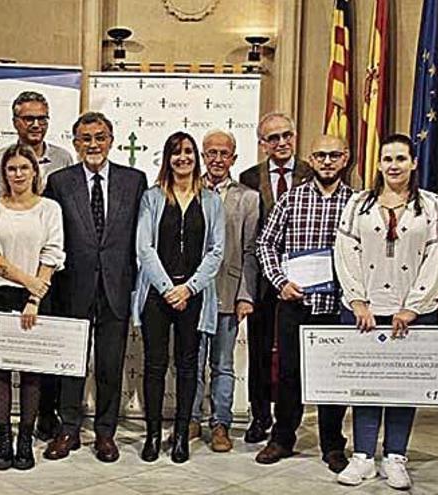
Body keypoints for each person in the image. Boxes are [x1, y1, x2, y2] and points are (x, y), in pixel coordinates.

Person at [334, 134, 438, 490]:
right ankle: (363, 457)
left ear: (414, 163)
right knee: (366, 385)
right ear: (379, 163)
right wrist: (357, 299)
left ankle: (396, 456)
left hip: (413, 311)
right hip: (365, 312)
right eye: (388, 158)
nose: (394, 165)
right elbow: (345, 251)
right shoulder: (358, 204)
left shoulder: (432, 206)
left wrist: (412, 306)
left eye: (401, 158)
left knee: (403, 386)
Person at [42, 111, 147, 464]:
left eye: (99, 137)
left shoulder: (134, 181)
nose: (93, 144)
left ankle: (105, 433)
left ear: (111, 139)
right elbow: (51, 236)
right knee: (70, 364)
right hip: (73, 289)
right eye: (85, 138)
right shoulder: (59, 181)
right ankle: (68, 428)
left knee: (109, 367)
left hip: (117, 288)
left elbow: (140, 237)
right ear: (75, 143)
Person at [0, 90, 73, 443]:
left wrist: (37, 289)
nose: (36, 124)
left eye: (42, 118)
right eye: (28, 118)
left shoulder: (62, 161)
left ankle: (36, 427)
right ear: (15, 121)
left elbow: (55, 245)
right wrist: (25, 280)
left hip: (45, 287)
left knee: (36, 366)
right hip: (1, 289)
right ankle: (0, 430)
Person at [254, 134, 352, 473]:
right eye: (321, 155)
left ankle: (332, 445)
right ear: (310, 158)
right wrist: (280, 282)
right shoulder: (292, 200)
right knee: (290, 374)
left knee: (333, 377)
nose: (327, 162)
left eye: (334, 155)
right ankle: (282, 438)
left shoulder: (357, 203)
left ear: (345, 158)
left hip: (338, 306)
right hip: (296, 303)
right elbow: (264, 243)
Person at [0, 143, 65, 470]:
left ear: (35, 172)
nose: (18, 174)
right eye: (12, 169)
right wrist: (27, 281)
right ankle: (3, 441)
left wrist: (35, 297)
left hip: (36, 299)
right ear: (4, 173)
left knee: (31, 372)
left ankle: (25, 439)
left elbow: (52, 254)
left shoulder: (49, 208)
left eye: (24, 168)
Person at [133, 131, 225, 464]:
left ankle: (183, 434)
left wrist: (188, 288)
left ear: (195, 157)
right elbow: (144, 247)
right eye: (175, 152)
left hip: (195, 296)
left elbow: (216, 251)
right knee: (155, 366)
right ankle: (154, 435)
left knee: (188, 368)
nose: (182, 157)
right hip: (158, 296)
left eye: (188, 151)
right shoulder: (152, 197)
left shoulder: (212, 200)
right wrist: (167, 288)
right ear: (167, 158)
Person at [238, 112, 312, 443]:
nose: (280, 142)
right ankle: (259, 416)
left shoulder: (313, 173)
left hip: (303, 281)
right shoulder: (248, 177)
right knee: (258, 351)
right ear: (262, 144)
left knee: (292, 355)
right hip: (263, 283)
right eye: (272, 138)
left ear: (294, 137)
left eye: (286, 135)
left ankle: (288, 422)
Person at [189, 130, 259, 452]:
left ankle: (220, 424)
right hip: (191, 293)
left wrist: (246, 295)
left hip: (229, 292)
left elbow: (249, 251)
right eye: (211, 153)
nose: (217, 159)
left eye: (224, 153)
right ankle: (190, 420)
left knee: (223, 364)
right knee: (191, 361)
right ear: (203, 156)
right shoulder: (187, 189)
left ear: (234, 158)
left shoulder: (248, 197)